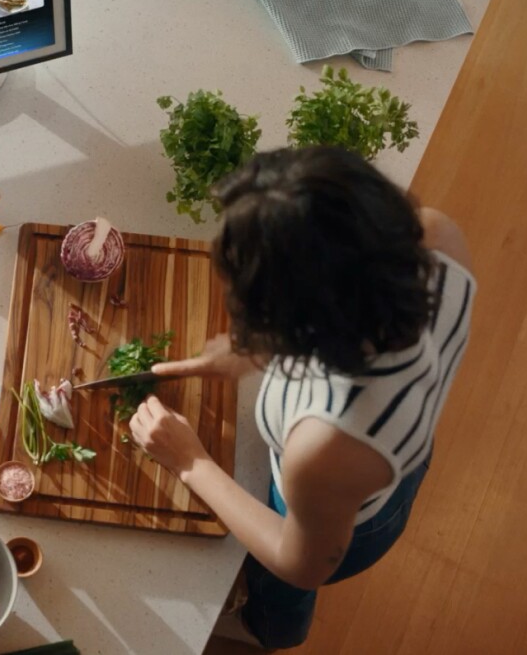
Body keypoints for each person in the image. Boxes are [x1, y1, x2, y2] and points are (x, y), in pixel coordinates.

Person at [129, 146, 476, 650]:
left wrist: (191, 462)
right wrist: (257, 351)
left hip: (350, 522)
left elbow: (302, 561)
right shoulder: (434, 236)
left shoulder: (325, 448)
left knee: (282, 592)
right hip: (397, 449)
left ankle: (269, 633)